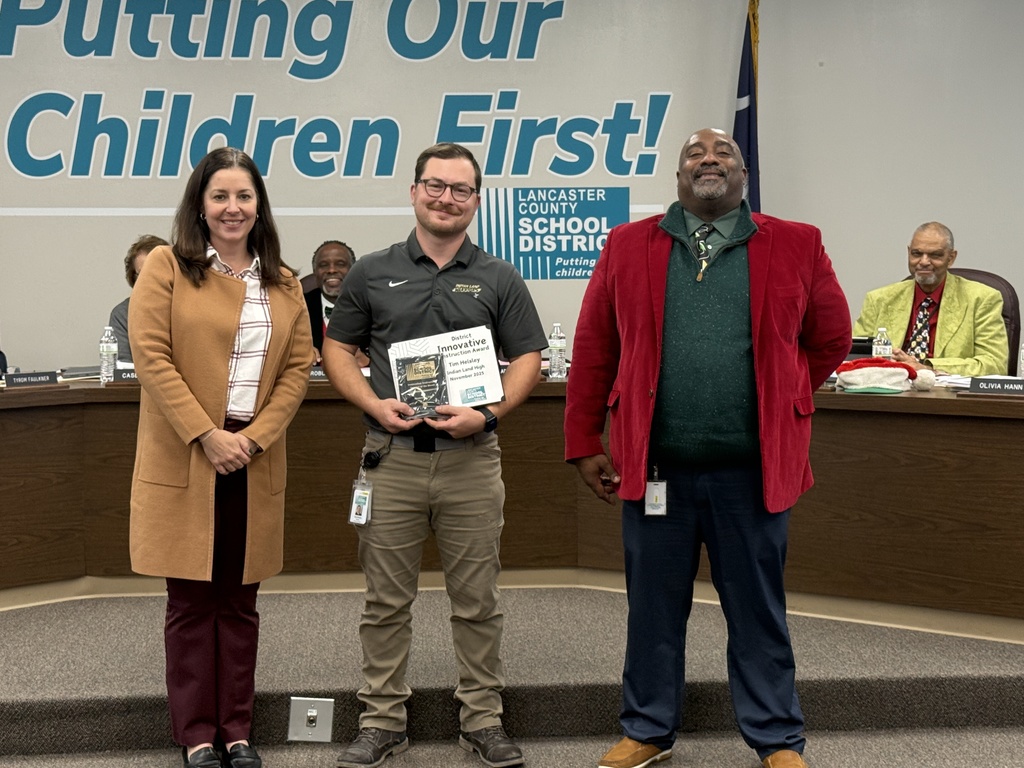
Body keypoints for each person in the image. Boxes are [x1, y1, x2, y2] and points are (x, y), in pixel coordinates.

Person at [563, 128, 851, 768]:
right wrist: (584, 440)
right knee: (653, 612)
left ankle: (776, 737)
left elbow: (831, 336)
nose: (710, 161)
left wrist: (783, 390)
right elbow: (594, 350)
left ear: (744, 174)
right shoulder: (628, 244)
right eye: (696, 154)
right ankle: (647, 729)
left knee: (758, 613)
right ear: (678, 174)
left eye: (724, 154)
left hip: (752, 473)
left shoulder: (798, 243)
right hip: (655, 469)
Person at [322, 142, 546, 768]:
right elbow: (336, 350)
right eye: (435, 185)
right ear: (414, 190)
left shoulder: (499, 276)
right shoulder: (370, 271)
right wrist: (373, 405)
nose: (447, 197)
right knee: (384, 601)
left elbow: (530, 356)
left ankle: (482, 719)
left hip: (473, 458)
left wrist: (491, 412)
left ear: (477, 199)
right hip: (390, 457)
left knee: (478, 600)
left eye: (461, 189)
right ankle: (381, 720)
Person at [128, 147, 315, 768]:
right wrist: (207, 434)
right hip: (192, 454)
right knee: (189, 605)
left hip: (253, 457)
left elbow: (296, 369)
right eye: (219, 197)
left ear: (259, 204)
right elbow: (152, 357)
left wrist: (254, 437)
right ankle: (196, 735)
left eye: (243, 196)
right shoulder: (167, 267)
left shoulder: (284, 281)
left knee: (239, 603)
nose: (232, 208)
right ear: (200, 206)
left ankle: (236, 729)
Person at [852, 222, 1008, 375]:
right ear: (908, 252)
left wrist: (927, 367)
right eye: (917, 254)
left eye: (935, 255)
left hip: (947, 397)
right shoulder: (879, 299)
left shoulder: (982, 299)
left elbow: (994, 364)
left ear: (951, 258)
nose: (924, 262)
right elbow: (854, 357)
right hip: (891, 393)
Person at [304, 240, 368, 366]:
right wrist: (300, 353)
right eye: (323, 265)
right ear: (315, 273)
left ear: (353, 270)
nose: (332, 270)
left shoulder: (373, 304)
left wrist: (369, 360)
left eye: (340, 264)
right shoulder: (298, 307)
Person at [109, 234, 169, 363]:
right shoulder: (123, 313)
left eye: (157, 271)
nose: (151, 279)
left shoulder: (188, 308)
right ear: (134, 278)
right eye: (144, 274)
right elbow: (123, 366)